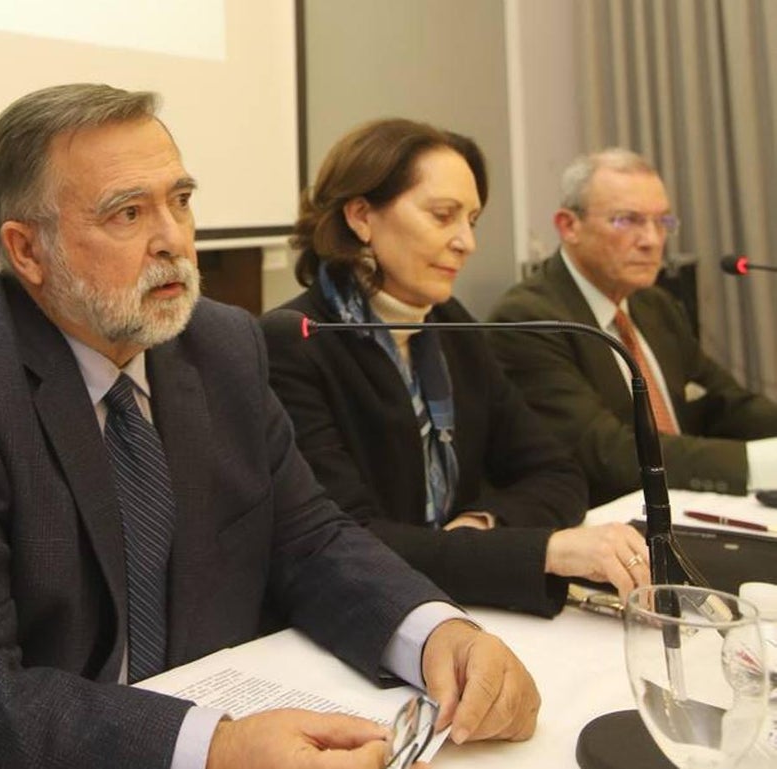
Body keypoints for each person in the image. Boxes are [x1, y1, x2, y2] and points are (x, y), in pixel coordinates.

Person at [0, 85, 540, 769]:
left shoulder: (222, 344)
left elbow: (309, 540)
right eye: (127, 213)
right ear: (27, 250)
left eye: (179, 201)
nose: (174, 239)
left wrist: (434, 632)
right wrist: (215, 748)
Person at [261, 119, 650, 618]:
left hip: (457, 603)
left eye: (472, 220)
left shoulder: (449, 324)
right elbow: (346, 540)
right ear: (360, 217)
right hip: (351, 618)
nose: (467, 242)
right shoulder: (295, 340)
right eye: (443, 216)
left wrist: (481, 527)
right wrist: (541, 551)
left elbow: (557, 473)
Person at [489, 148, 777, 505]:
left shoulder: (655, 305)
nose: (652, 240)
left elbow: (724, 402)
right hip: (607, 519)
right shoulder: (528, 320)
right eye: (627, 221)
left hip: (689, 505)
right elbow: (607, 453)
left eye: (662, 222)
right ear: (569, 226)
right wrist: (759, 463)